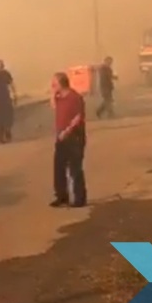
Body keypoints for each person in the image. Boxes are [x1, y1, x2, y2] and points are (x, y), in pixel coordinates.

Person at [50, 72, 87, 208]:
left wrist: (67, 131)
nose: (52, 85)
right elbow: (53, 106)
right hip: (61, 137)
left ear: (61, 83)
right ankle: (61, 196)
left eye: (54, 83)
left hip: (74, 136)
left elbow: (78, 117)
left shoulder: (74, 97)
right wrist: (53, 94)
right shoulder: (60, 98)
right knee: (58, 168)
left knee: (75, 169)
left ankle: (79, 199)